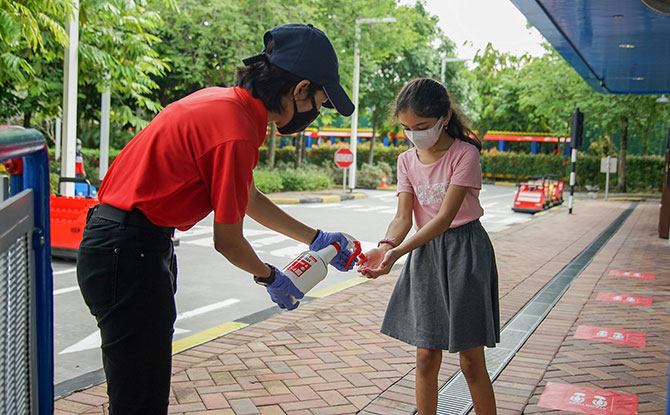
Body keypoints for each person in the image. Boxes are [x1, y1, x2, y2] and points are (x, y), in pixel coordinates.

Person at [76, 23, 356, 415]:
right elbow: (227, 241)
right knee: (140, 400)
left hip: (125, 246)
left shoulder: (225, 104)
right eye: (320, 102)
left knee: (135, 389)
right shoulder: (236, 130)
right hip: (129, 252)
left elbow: (247, 197)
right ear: (300, 89)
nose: (316, 112)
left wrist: (316, 238)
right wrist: (272, 277)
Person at [358, 78, 500, 415]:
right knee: (424, 356)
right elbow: (403, 217)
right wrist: (385, 244)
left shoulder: (465, 154)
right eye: (407, 127)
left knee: (470, 359)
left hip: (465, 252)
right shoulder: (406, 161)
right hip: (426, 255)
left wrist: (397, 253)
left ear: (444, 117)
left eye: (421, 126)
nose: (414, 134)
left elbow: (443, 218)